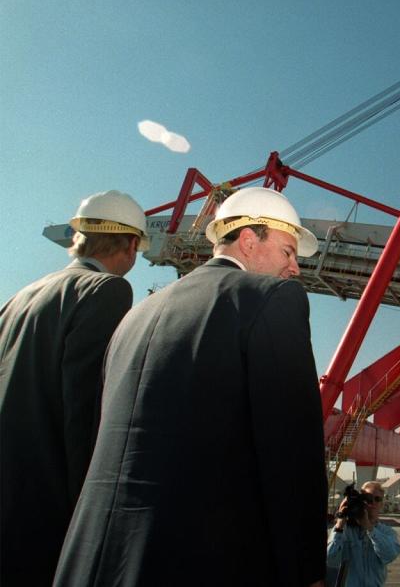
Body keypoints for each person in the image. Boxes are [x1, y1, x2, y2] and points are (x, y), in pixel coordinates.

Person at [54, 187, 328, 586]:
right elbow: (292, 450)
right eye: (287, 252)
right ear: (249, 241)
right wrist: (307, 571)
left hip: (93, 563)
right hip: (202, 563)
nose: (295, 269)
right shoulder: (272, 299)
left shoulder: (135, 316)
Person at [0, 190, 148, 587]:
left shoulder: (21, 297)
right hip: (48, 507)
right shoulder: (106, 290)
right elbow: (86, 411)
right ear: (132, 245)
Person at [327, 480, 400, 586]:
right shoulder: (345, 531)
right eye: (368, 498)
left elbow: (389, 555)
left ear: (382, 504)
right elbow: (330, 560)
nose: (373, 503)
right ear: (361, 501)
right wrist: (339, 525)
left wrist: (369, 528)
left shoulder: (386, 532)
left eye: (377, 499)